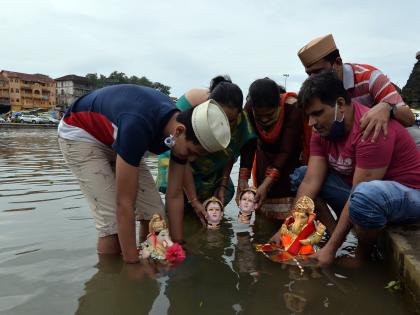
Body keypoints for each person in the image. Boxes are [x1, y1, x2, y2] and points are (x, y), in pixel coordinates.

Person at [58, 84, 231, 263]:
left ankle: (147, 260)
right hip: (81, 134)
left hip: (118, 136)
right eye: (192, 152)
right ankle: (115, 279)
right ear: (179, 131)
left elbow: (174, 195)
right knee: (112, 228)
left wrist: (179, 244)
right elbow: (124, 204)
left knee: (155, 217)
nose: (192, 159)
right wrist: (132, 265)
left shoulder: (177, 135)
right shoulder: (137, 127)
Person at [271, 72, 420, 266]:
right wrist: (287, 231)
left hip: (409, 194)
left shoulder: (370, 128)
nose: (311, 123)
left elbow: (359, 191)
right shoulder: (322, 131)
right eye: (309, 116)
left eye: (317, 113)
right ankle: (335, 235)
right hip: (363, 191)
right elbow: (310, 182)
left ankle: (363, 255)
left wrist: (330, 250)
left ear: (340, 105)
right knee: (301, 176)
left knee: (364, 196)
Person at [156, 75, 256, 224]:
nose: (225, 126)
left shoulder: (241, 122)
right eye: (221, 118)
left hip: (211, 171)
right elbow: (181, 155)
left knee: (221, 196)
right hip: (180, 161)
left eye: (231, 121)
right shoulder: (190, 106)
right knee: (179, 205)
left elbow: (230, 153)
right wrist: (193, 200)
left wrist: (222, 185)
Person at [297, 34, 415, 144]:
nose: (313, 78)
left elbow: (409, 119)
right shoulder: (316, 92)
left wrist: (387, 108)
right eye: (309, 74)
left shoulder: (369, 78)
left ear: (338, 62)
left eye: (319, 71)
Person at [239, 78, 309, 209]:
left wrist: (267, 183)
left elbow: (286, 149)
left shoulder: (292, 107)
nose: (264, 120)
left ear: (279, 106)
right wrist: (242, 179)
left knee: (296, 209)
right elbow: (248, 144)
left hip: (291, 159)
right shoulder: (248, 109)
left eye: (270, 115)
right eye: (259, 116)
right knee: (262, 201)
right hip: (265, 157)